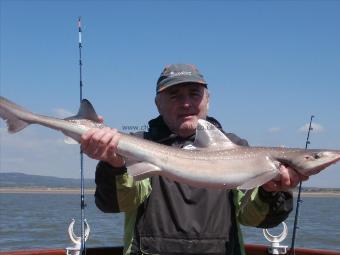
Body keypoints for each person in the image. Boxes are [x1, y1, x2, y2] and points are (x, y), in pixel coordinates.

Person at [81, 64, 308, 255]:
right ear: (157, 103)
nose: (186, 103)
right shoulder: (138, 145)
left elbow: (253, 218)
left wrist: (270, 190)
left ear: (208, 99)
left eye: (194, 94)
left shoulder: (238, 148)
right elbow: (117, 204)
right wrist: (114, 166)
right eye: (174, 95)